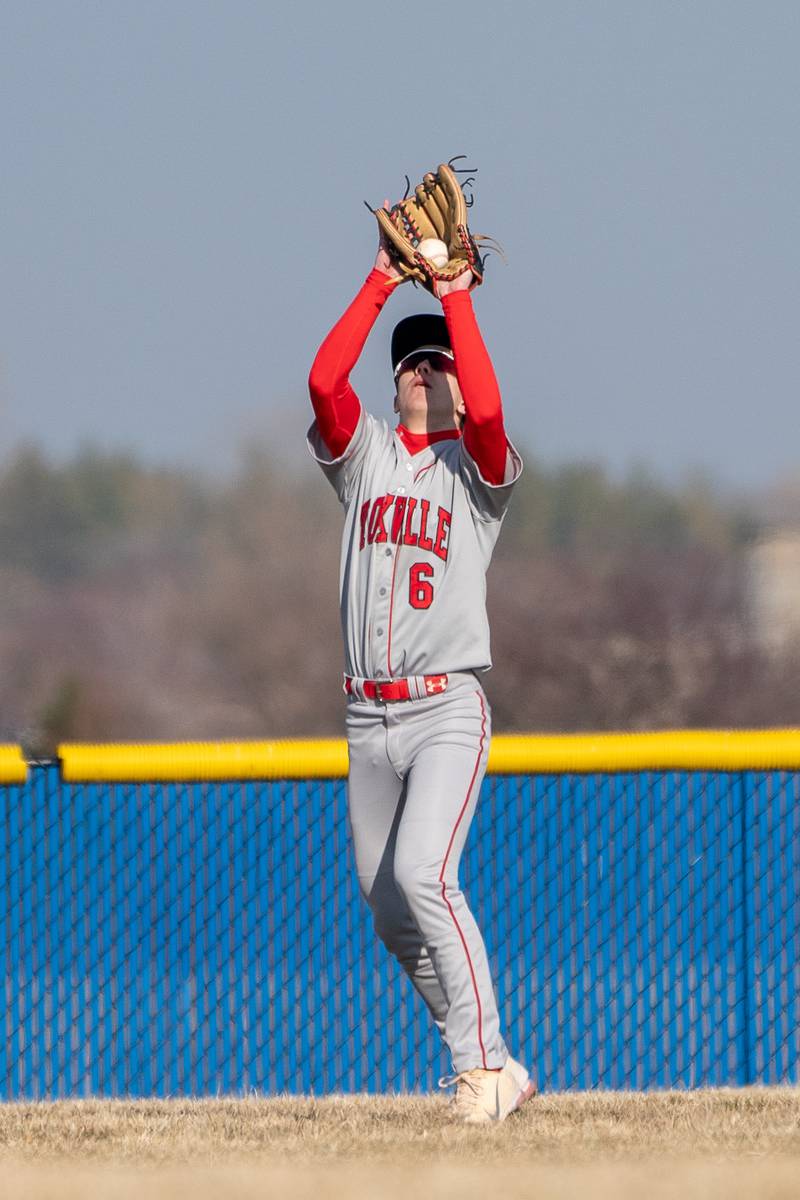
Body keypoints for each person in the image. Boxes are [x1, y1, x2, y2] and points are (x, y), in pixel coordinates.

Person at [306, 216, 533, 1124]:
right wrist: (376, 282)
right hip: (368, 719)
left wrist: (452, 301)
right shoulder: (361, 460)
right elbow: (325, 380)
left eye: (437, 361)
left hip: (445, 709)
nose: (427, 369)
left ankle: (478, 1072)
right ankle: (494, 1060)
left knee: (426, 875)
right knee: (390, 908)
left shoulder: (475, 477)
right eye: (412, 361)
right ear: (394, 381)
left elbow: (488, 411)